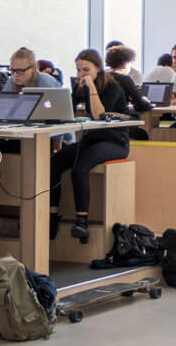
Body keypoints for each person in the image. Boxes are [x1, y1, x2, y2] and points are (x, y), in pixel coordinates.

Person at [54, 49, 154, 240]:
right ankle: (51, 214)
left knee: (80, 167)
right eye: (78, 70)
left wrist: (91, 87)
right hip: (92, 139)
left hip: (115, 141)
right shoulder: (80, 86)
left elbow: (99, 115)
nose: (81, 74)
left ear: (98, 69)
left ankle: (81, 221)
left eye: (86, 70)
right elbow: (68, 110)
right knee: (55, 162)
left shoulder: (112, 86)